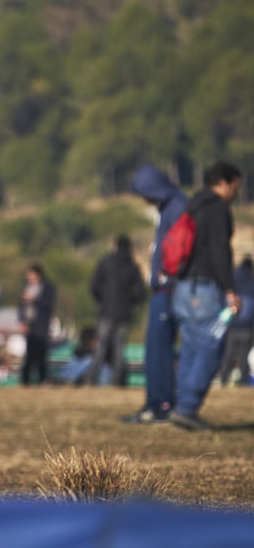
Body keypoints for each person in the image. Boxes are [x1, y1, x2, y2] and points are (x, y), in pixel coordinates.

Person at [170, 161, 242, 430]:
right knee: (211, 348)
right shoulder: (217, 209)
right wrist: (230, 289)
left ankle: (181, 405)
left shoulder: (192, 205)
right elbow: (220, 252)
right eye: (235, 186)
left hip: (183, 288)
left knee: (190, 348)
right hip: (205, 288)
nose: (236, 193)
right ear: (223, 183)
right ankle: (187, 408)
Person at [122, 164, 188, 424]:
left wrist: (166, 275)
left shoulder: (178, 206)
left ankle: (160, 404)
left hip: (169, 286)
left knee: (159, 349)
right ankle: (158, 400)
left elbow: (180, 246)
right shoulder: (169, 206)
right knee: (155, 348)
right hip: (164, 285)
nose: (142, 198)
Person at [86, 235, 146, 386]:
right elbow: (141, 292)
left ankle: (91, 378)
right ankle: (116, 381)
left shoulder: (106, 262)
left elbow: (93, 285)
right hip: (124, 314)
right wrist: (131, 303)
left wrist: (101, 301)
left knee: (101, 347)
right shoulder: (132, 266)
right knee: (119, 349)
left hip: (106, 312)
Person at [218, 255, 254, 387]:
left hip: (232, 325)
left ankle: (223, 381)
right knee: (244, 357)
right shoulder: (252, 282)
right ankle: (243, 384)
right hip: (247, 328)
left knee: (228, 355)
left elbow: (224, 301)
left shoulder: (232, 281)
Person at [19, 263, 55, 386]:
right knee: (29, 354)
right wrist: (22, 321)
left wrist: (33, 300)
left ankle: (42, 379)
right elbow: (22, 306)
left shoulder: (47, 288)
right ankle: (25, 381)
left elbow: (48, 305)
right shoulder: (27, 287)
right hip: (29, 325)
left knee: (41, 354)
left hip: (41, 325)